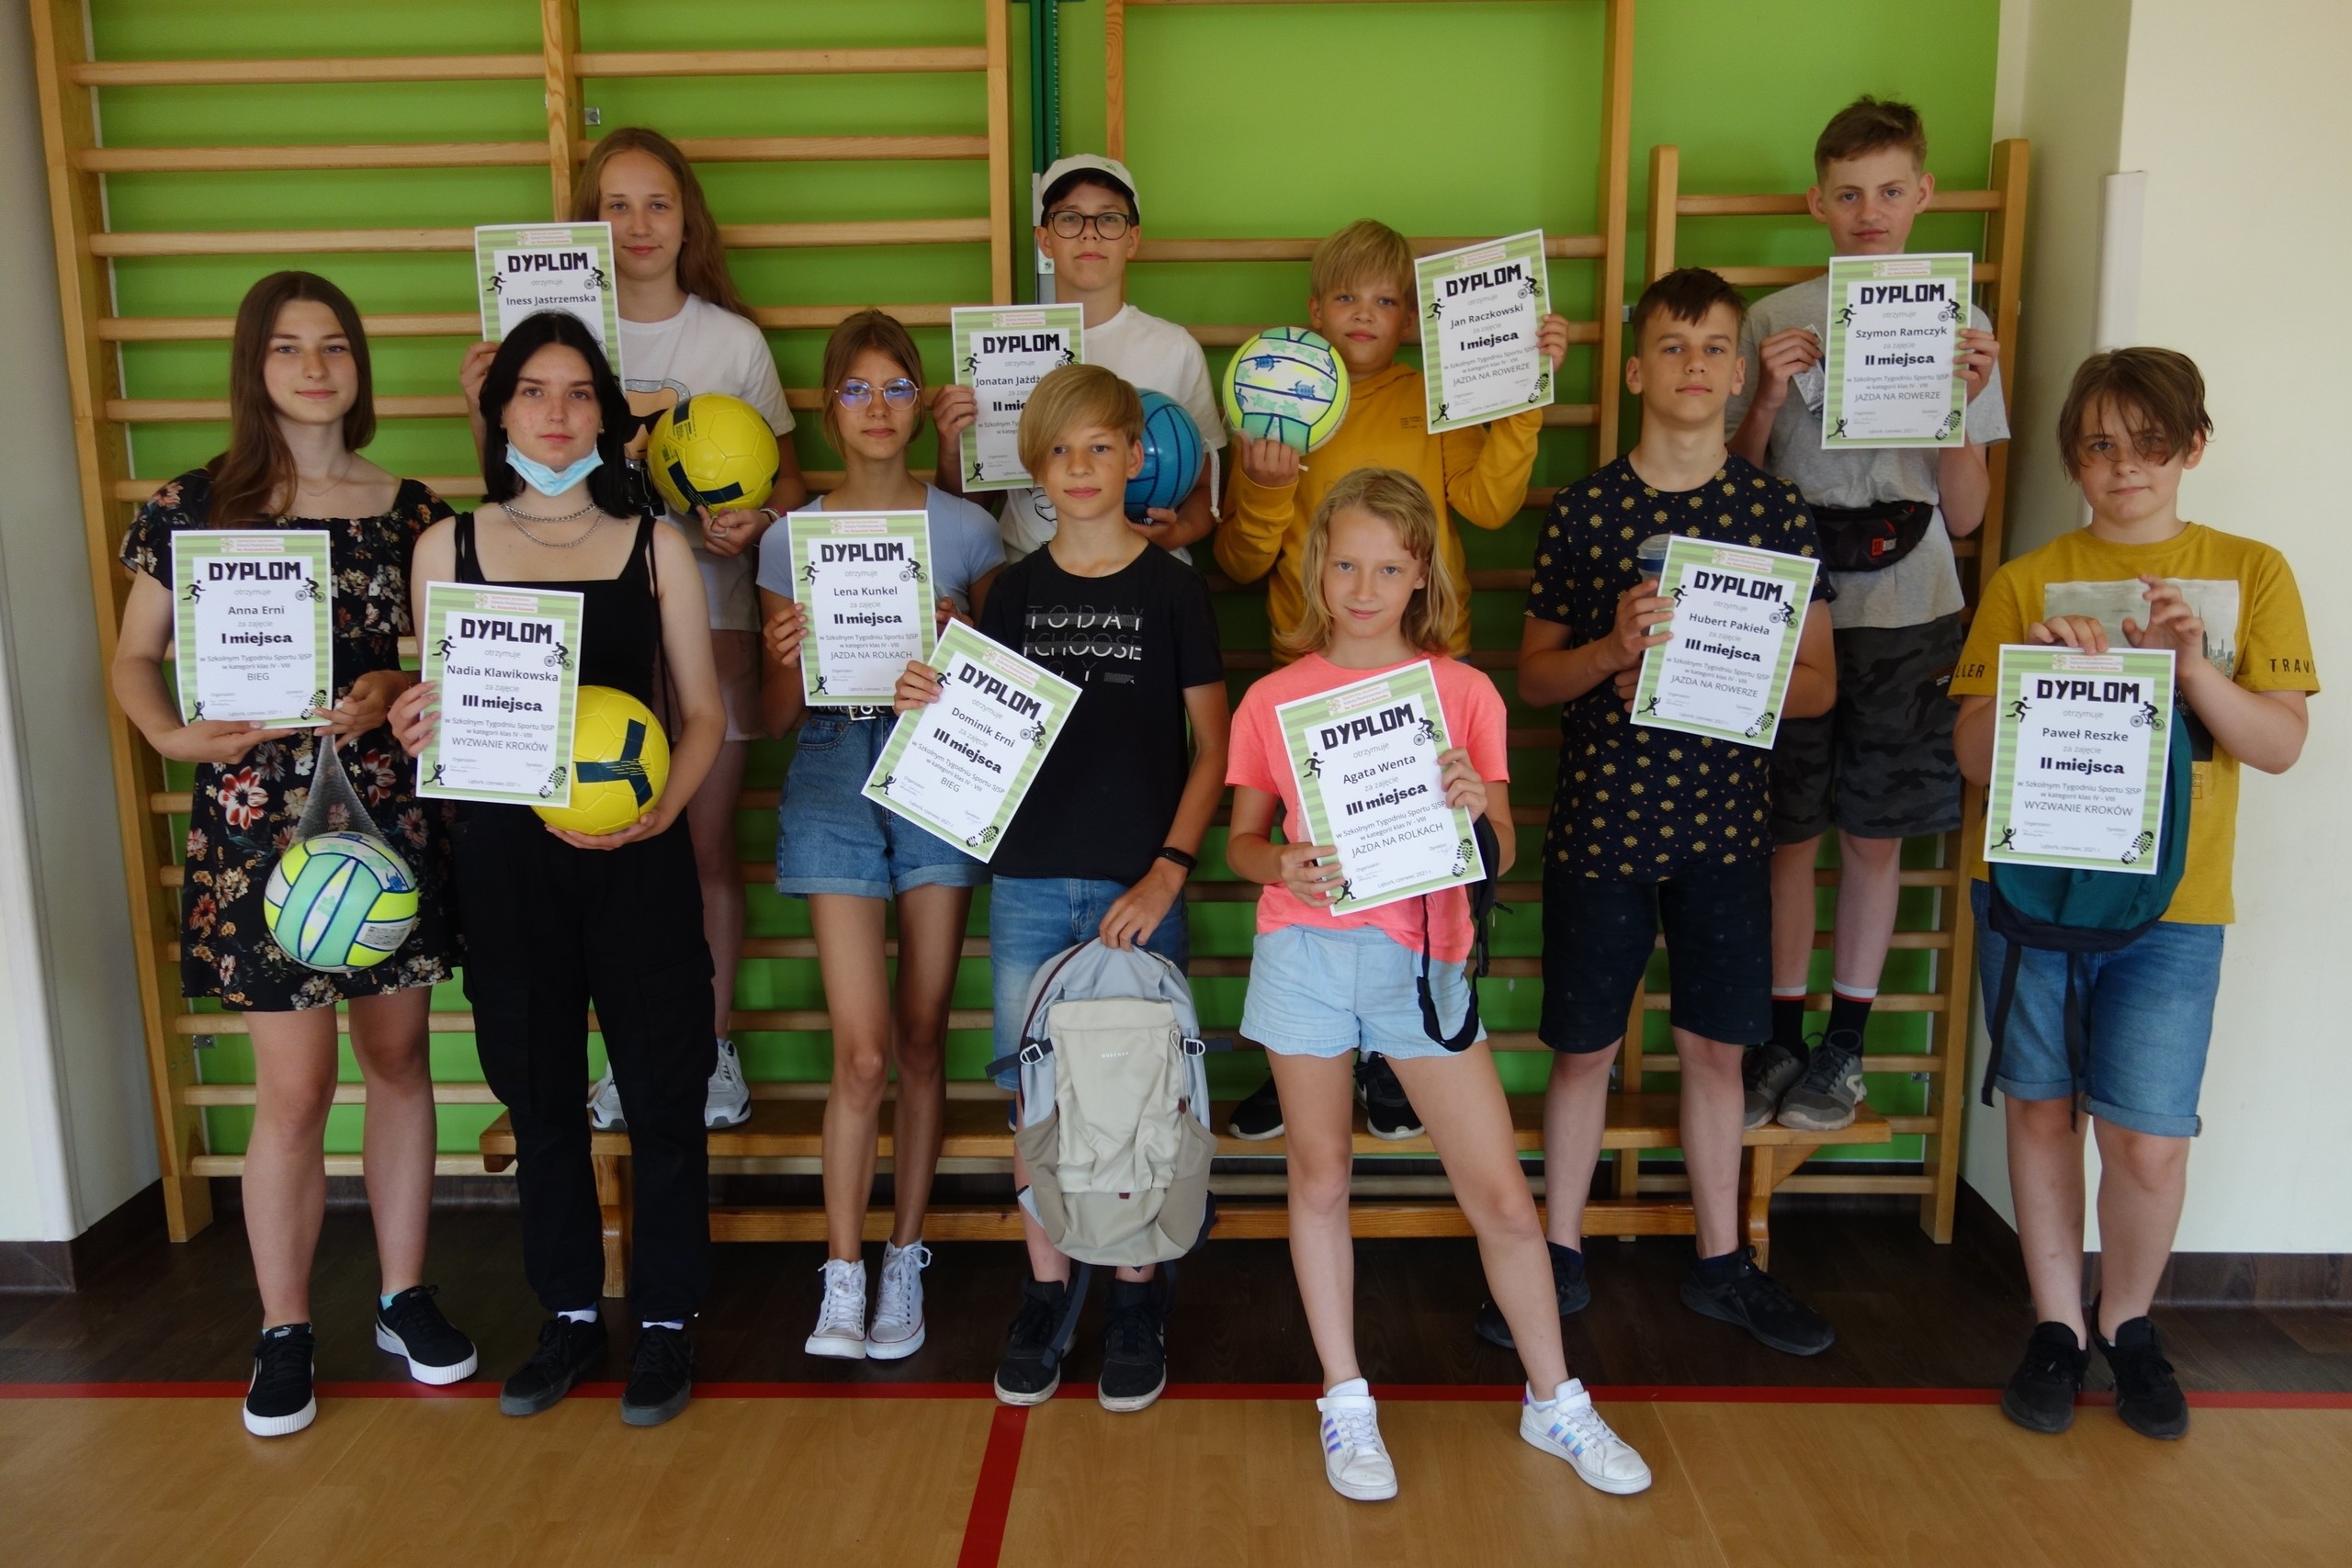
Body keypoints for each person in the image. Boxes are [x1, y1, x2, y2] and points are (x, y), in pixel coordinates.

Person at [1227, 467, 1650, 1501]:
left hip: (1426, 961)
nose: (1363, 588)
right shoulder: (1272, 698)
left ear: (1421, 575)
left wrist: (1471, 807)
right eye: (1345, 565)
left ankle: (1555, 1400)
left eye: (1388, 568)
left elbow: (1500, 845)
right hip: (1306, 952)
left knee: (1501, 1195)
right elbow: (1241, 843)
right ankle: (1345, 1400)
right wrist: (1280, 863)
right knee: (1320, 1177)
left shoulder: (1461, 694)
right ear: (1316, 570)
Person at [111, 270, 475, 1438]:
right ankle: (283, 1327)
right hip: (254, 824)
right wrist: (171, 735)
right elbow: (132, 658)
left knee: (399, 1059)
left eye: (333, 345)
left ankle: (403, 1296)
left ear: (359, 364)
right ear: (252, 365)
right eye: (286, 347)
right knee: (296, 1088)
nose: (314, 367)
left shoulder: (412, 510)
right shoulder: (192, 504)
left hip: (384, 815)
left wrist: (393, 684)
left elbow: (444, 660)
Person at [1952, 348, 2313, 1440]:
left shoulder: (2250, 569)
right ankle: (2056, 1326)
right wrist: (2034, 674)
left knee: (2149, 1137)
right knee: (2039, 1108)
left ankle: (2130, 1323)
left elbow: (2279, 744)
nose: (2124, 468)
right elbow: (1970, 756)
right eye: (2100, 447)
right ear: (2073, 458)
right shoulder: (2026, 580)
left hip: (2176, 907)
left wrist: (2189, 667)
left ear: (2191, 447)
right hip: (2033, 893)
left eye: (2150, 445)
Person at [392, 311, 727, 1428]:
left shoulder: (654, 547)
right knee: (539, 1099)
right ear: (498, 414)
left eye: (579, 392)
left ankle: (667, 1320)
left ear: (607, 416)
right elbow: (438, 712)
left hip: (638, 858)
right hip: (505, 866)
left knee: (664, 1094)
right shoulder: (447, 549)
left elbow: (704, 713)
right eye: (532, 391)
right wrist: (413, 721)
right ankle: (571, 1315)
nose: (556, 412)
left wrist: (658, 815)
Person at [1511, 268, 1838, 1357]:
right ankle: (1555, 1256)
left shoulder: (1773, 513)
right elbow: (1535, 680)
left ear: (1739, 372)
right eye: (1671, 345)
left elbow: (1818, 688)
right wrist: (1611, 651)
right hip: (1600, 823)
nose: (1693, 365)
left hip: (1724, 834)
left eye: (1712, 348)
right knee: (1582, 1053)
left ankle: (1720, 1263)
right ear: (1634, 370)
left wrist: (1721, 673)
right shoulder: (1587, 510)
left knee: (1714, 1056)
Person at [465, 127, 811, 1135]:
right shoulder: (547, 343)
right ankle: (623, 1055)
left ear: (688, 219)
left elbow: (790, 488)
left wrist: (757, 522)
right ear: (585, 221)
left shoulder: (731, 342)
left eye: (658, 203)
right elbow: (498, 485)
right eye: (615, 205)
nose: (638, 224)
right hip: (576, 634)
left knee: (696, 847)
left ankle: (705, 1047)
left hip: (712, 615)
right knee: (583, 851)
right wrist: (476, 403)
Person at [895, 364, 1227, 1413]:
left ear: (1134, 457)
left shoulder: (1175, 590)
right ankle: (1046, 1295)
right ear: (1033, 470)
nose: (1080, 468)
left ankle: (1134, 1297)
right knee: (1033, 1099)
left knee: (1143, 1096)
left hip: (1142, 886)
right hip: (1030, 885)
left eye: (1100, 447)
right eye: (1059, 451)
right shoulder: (1013, 594)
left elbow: (1214, 749)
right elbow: (973, 731)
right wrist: (925, 701)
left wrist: (1168, 871)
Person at [1217, 217, 1571, 1145]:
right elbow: (1242, 559)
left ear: (1412, 319)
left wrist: (1524, 394)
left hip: (1425, 667)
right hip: (1309, 668)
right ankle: (1307, 1055)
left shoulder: (1432, 397)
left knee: (1414, 859)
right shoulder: (1274, 397)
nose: (1364, 314)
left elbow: (1488, 502)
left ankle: (1389, 1055)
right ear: (1314, 309)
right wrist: (1263, 486)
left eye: (1384, 300)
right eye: (1346, 296)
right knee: (1312, 866)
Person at [1724, 97, 2009, 1134]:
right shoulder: (1775, 321)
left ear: (1923, 194)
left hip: (1912, 600)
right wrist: (1764, 398)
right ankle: (1779, 1036)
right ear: (1817, 203)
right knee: (1785, 836)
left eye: (1890, 191)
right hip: (1791, 607)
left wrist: (1958, 407)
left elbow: (1966, 514)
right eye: (1848, 194)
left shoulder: (1961, 324)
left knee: (1874, 836)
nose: (1870, 212)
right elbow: (1732, 491)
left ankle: (1844, 1044)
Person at [754, 310, 1005, 1360]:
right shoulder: (787, 538)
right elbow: (774, 718)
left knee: (920, 1033)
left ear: (920, 404)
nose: (876, 407)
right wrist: (783, 655)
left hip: (937, 769)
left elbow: (1000, 700)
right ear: (829, 409)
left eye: (896, 387)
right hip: (830, 768)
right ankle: (843, 1273)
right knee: (859, 1054)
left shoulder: (970, 532)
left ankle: (905, 1256)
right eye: (855, 389)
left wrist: (964, 643)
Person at [933, 152, 1225, 560]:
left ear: (1132, 239)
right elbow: (968, 508)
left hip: (1144, 570)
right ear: (1045, 239)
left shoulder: (1174, 348)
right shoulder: (995, 348)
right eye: (1070, 218)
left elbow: (1206, 488)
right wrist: (952, 446)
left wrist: (1175, 534)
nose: (1090, 234)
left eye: (1109, 219)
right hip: (1029, 570)